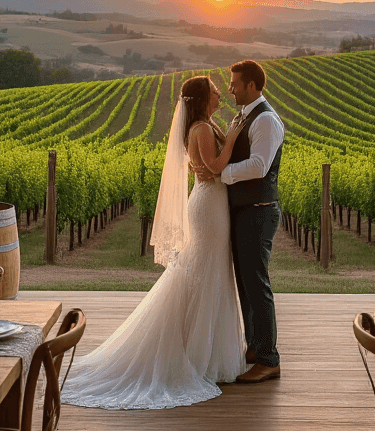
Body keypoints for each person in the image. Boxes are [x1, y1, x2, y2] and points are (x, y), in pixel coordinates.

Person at [61, 75, 246, 410]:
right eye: (216, 92)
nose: (221, 94)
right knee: (205, 273)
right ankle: (198, 358)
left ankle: (205, 354)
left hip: (213, 204)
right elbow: (216, 167)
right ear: (204, 98)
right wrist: (232, 136)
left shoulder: (205, 125)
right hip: (208, 206)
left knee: (209, 273)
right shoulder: (202, 129)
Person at [221, 60, 285, 383]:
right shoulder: (245, 116)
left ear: (252, 85)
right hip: (245, 209)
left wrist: (224, 174)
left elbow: (259, 166)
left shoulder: (266, 121)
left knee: (257, 284)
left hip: (258, 210)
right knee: (245, 283)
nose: (230, 88)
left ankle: (269, 359)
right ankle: (255, 346)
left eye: (234, 83)